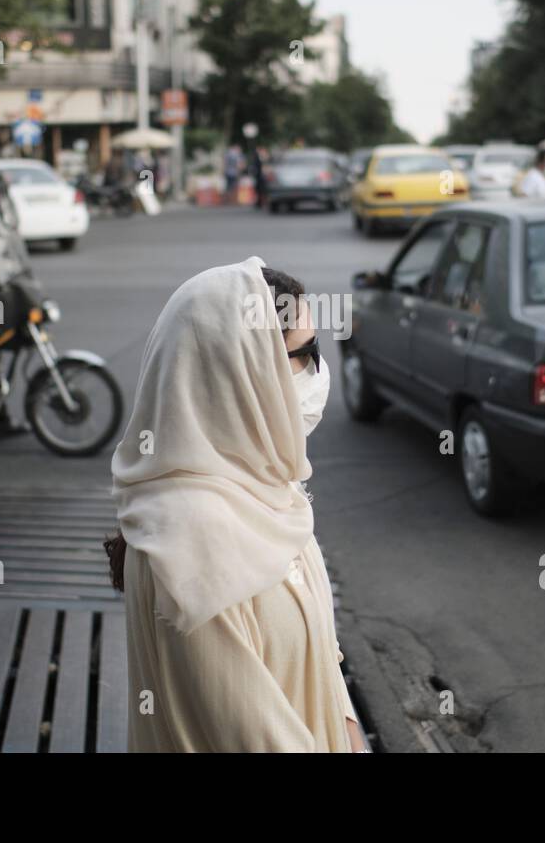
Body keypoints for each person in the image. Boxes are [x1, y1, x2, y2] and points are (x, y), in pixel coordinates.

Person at [107, 259, 364, 752]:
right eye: (303, 353)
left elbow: (322, 662)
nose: (317, 372)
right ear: (237, 373)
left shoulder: (266, 491)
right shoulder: (192, 547)